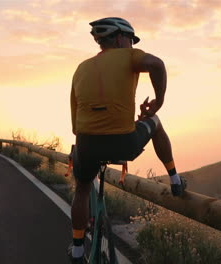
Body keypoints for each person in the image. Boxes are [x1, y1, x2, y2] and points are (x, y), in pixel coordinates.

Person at [68, 17, 186, 263]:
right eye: (131, 40)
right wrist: (158, 102)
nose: (132, 45)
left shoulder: (81, 68)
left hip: (87, 144)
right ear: (121, 37)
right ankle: (175, 180)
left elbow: (75, 126)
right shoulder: (129, 56)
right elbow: (156, 63)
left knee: (82, 188)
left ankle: (78, 251)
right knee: (156, 122)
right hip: (123, 142)